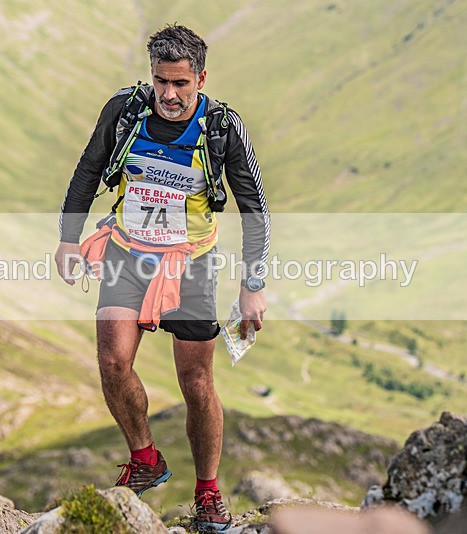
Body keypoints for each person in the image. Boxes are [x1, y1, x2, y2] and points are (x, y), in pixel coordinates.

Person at [55, 24, 269, 532]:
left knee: (195, 382)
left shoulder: (221, 128)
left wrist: (253, 285)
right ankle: (146, 458)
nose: (169, 95)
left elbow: (254, 208)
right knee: (112, 360)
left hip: (191, 264)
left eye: (180, 84)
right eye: (160, 82)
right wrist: (69, 237)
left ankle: (208, 494)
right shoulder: (125, 111)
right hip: (127, 253)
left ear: (201, 78)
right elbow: (88, 170)